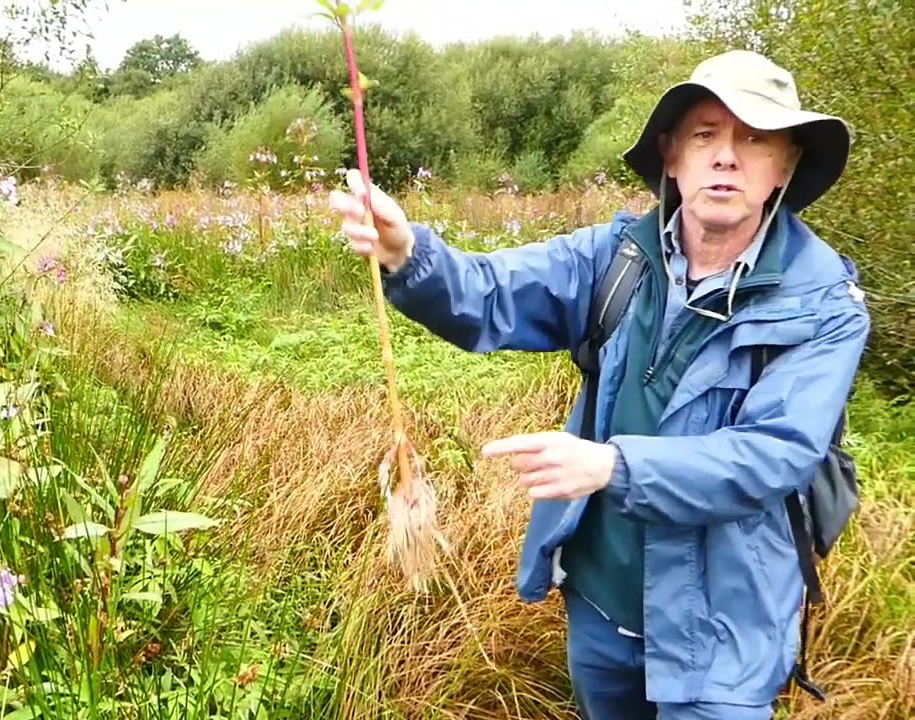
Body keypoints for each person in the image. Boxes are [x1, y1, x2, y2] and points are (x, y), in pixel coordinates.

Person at [327, 49, 870, 720]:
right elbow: (491, 292)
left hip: (723, 643)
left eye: (754, 138)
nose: (726, 156)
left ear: (785, 165)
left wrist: (612, 466)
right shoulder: (615, 259)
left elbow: (775, 454)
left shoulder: (824, 305)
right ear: (671, 155)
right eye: (706, 134)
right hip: (602, 613)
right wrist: (410, 253)